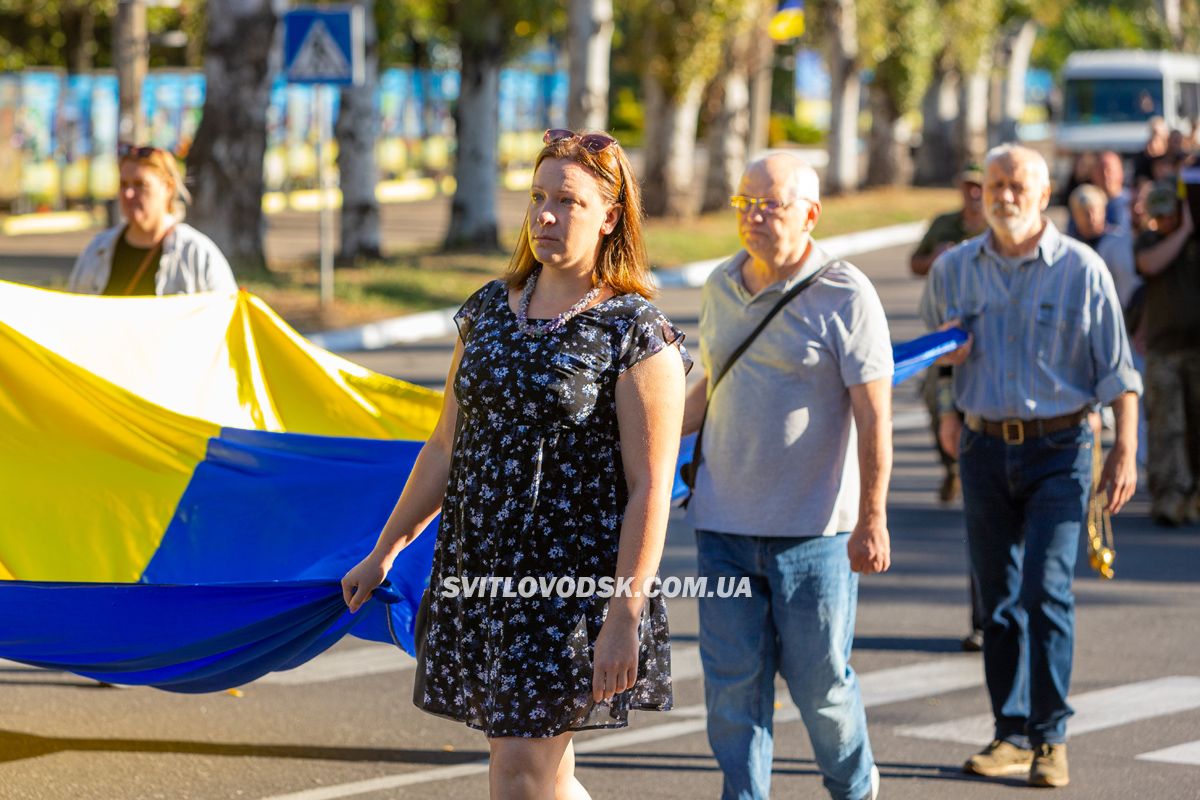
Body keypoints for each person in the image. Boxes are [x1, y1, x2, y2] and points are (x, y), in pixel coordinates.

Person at [340, 129, 689, 799]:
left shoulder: (635, 331)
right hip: (480, 573)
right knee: (544, 771)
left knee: (519, 769)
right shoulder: (488, 311)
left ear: (610, 216)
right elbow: (445, 446)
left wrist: (625, 614)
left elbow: (649, 486)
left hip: (570, 588)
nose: (546, 216)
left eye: (569, 201)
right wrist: (385, 550)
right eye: (537, 197)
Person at [921, 144, 1141, 789]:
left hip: (1061, 450)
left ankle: (1051, 739)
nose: (1005, 195)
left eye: (1018, 185)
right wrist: (944, 405)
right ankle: (1010, 732)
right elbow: (930, 356)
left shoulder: (1082, 269)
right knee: (997, 600)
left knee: (1045, 591)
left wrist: (1124, 447)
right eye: (994, 184)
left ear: (1044, 195)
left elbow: (1120, 373)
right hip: (984, 449)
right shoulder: (954, 268)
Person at [683, 153, 891, 800]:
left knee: (822, 689)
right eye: (746, 202)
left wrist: (872, 516)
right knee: (731, 690)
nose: (755, 215)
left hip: (814, 535)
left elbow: (874, 414)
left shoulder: (846, 293)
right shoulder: (720, 283)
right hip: (722, 526)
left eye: (771, 204)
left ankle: (854, 788)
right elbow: (709, 386)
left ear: (810, 213)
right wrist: (640, 451)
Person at [910, 162, 989, 651]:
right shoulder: (945, 225)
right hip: (951, 363)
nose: (977, 193)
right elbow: (916, 264)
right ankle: (986, 622)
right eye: (971, 185)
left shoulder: (1004, 238)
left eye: (985, 185)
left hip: (1027, 418)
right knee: (941, 414)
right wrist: (936, 257)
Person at [68, 144, 236, 296]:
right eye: (123, 184)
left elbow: (226, 318)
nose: (128, 194)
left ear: (169, 188)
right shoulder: (97, 250)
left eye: (140, 184)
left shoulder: (197, 255)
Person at [1133, 182, 1200, 526]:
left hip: (1195, 350)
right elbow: (1149, 265)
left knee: (1195, 427)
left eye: (1170, 214)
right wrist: (1183, 231)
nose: (1164, 220)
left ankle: (1194, 495)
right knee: (1165, 427)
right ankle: (1168, 495)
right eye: (1158, 215)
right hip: (1163, 351)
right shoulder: (1149, 241)